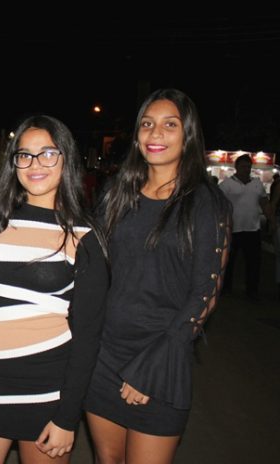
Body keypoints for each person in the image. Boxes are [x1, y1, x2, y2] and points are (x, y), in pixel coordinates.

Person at [84, 88, 231, 463]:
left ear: (188, 135)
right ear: (137, 135)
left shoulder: (205, 203)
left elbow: (205, 293)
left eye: (170, 125)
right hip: (104, 355)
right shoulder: (116, 194)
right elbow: (94, 270)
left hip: (163, 354)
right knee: (107, 459)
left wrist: (154, 365)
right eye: (147, 124)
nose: (156, 133)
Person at [0, 115, 109, 463]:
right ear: (13, 164)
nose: (35, 164)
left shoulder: (84, 237)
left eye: (48, 154)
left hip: (47, 388)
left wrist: (67, 416)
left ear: (66, 159)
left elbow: (88, 337)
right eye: (24, 155)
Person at [218, 154, 271, 301]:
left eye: (248, 166)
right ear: (236, 167)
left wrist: (271, 220)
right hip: (231, 230)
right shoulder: (226, 185)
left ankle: (252, 290)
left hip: (253, 229)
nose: (246, 169)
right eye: (243, 166)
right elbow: (218, 205)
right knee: (228, 262)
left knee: (254, 262)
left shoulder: (257, 184)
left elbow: (264, 203)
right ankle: (225, 288)